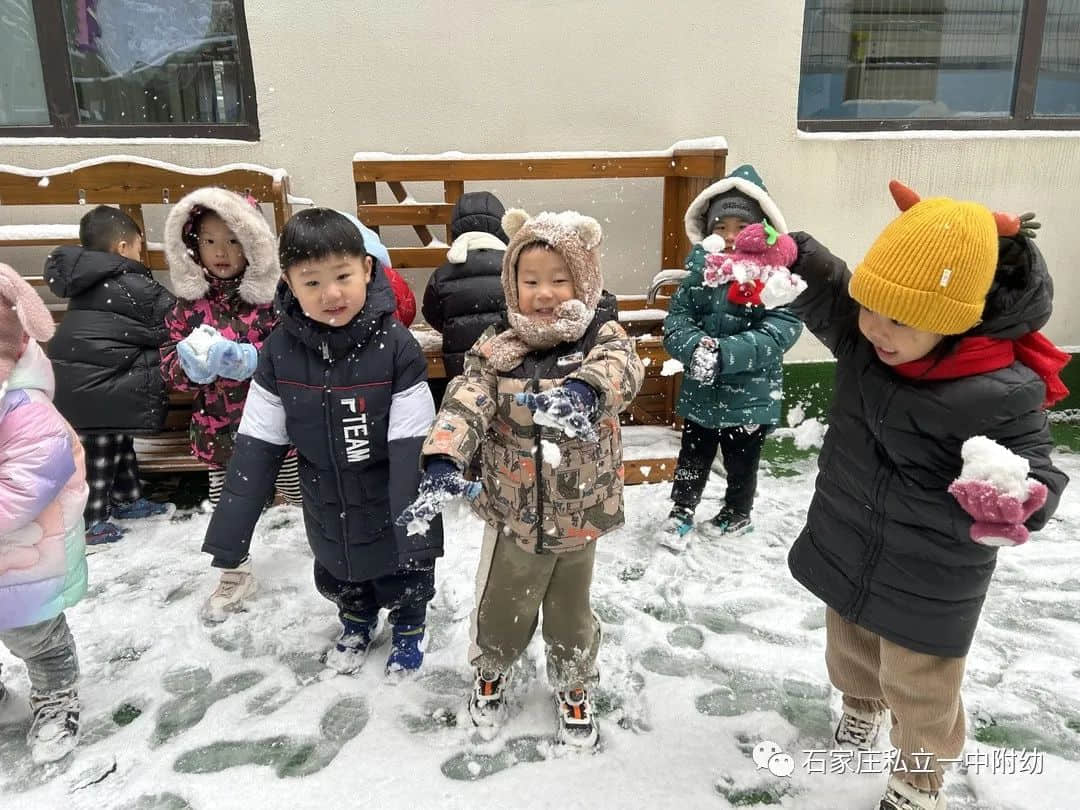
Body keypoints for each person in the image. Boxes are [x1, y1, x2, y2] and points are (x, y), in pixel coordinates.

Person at [786, 181, 1069, 810]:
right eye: (872, 309)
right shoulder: (869, 340)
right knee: (852, 649)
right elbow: (833, 291)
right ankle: (860, 709)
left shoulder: (1000, 389)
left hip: (931, 569)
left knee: (921, 687)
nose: (875, 330)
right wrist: (789, 252)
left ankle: (918, 779)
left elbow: (1039, 470)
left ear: (951, 319)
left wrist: (1021, 498)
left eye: (899, 319)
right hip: (850, 534)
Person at [399, 208, 645, 747]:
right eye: (530, 281)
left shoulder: (601, 338)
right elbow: (467, 398)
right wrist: (444, 456)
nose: (546, 293)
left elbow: (623, 370)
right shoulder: (497, 346)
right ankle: (491, 668)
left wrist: (584, 391)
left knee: (570, 612)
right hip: (513, 510)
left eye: (561, 280)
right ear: (511, 284)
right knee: (505, 605)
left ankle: (574, 682)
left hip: (580, 508)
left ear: (584, 280)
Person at [200, 208, 440, 675]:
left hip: (389, 489)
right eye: (311, 282)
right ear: (287, 283)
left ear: (367, 270)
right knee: (339, 562)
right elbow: (257, 443)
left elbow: (413, 444)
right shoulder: (279, 352)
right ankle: (356, 618)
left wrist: (418, 526)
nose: (331, 294)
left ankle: (410, 624)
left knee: (403, 567)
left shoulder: (396, 346)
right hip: (324, 491)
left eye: (343, 276)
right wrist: (231, 534)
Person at [159, 188, 302, 620]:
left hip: (278, 426)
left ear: (254, 244)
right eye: (210, 240)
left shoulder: (274, 300)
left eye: (234, 240)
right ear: (193, 246)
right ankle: (234, 569)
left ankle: (320, 547)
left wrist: (255, 359)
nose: (222, 251)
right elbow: (168, 362)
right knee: (229, 506)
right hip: (218, 428)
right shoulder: (188, 306)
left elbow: (298, 352)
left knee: (300, 492)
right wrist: (188, 367)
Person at [661, 165, 802, 547]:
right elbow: (678, 318)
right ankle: (682, 509)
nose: (729, 236)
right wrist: (695, 347)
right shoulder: (700, 273)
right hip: (702, 390)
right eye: (720, 227)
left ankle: (738, 512)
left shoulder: (775, 278)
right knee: (693, 456)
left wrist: (726, 354)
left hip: (750, 395)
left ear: (761, 231)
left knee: (742, 461)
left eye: (741, 227)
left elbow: (780, 329)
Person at [43, 205, 176, 546]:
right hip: (95, 387)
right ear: (122, 248)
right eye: (137, 246)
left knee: (119, 441)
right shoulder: (130, 283)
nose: (139, 253)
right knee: (99, 456)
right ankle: (90, 520)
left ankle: (128, 499)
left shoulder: (85, 282)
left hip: (87, 381)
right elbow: (172, 320)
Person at [0, 264, 89, 763]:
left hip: (24, 552)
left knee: (34, 633)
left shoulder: (26, 410)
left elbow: (29, 485)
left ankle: (56, 698)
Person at [421, 191, 509, 406]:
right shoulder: (513, 267)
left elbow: (431, 313)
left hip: (462, 367)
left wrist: (452, 326)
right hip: (507, 362)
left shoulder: (443, 273)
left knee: (468, 406)